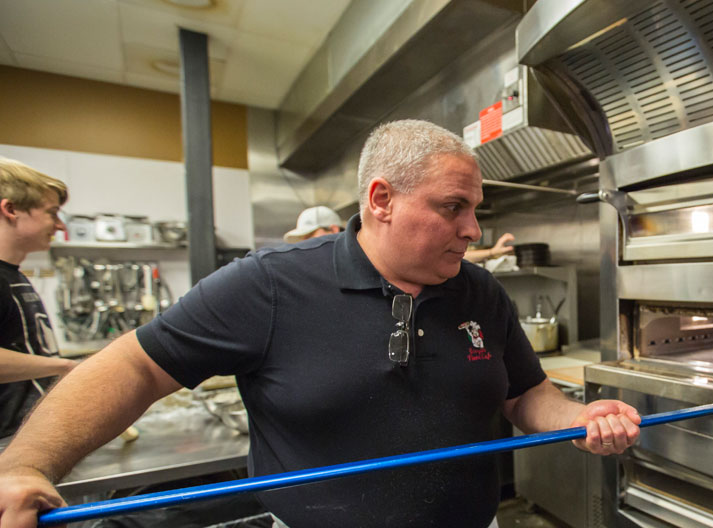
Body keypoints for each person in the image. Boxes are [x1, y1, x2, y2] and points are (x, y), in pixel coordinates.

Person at [0, 122, 641, 527]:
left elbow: (525, 393)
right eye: (453, 208)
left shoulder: (479, 290)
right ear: (382, 201)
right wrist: (26, 466)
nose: (472, 230)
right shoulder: (270, 284)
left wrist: (576, 420)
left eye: (474, 209)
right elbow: (134, 365)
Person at [0, 160, 76, 439]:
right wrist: (65, 367)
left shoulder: (12, 275)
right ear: (11, 210)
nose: (58, 225)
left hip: (24, 434)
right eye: (52, 213)